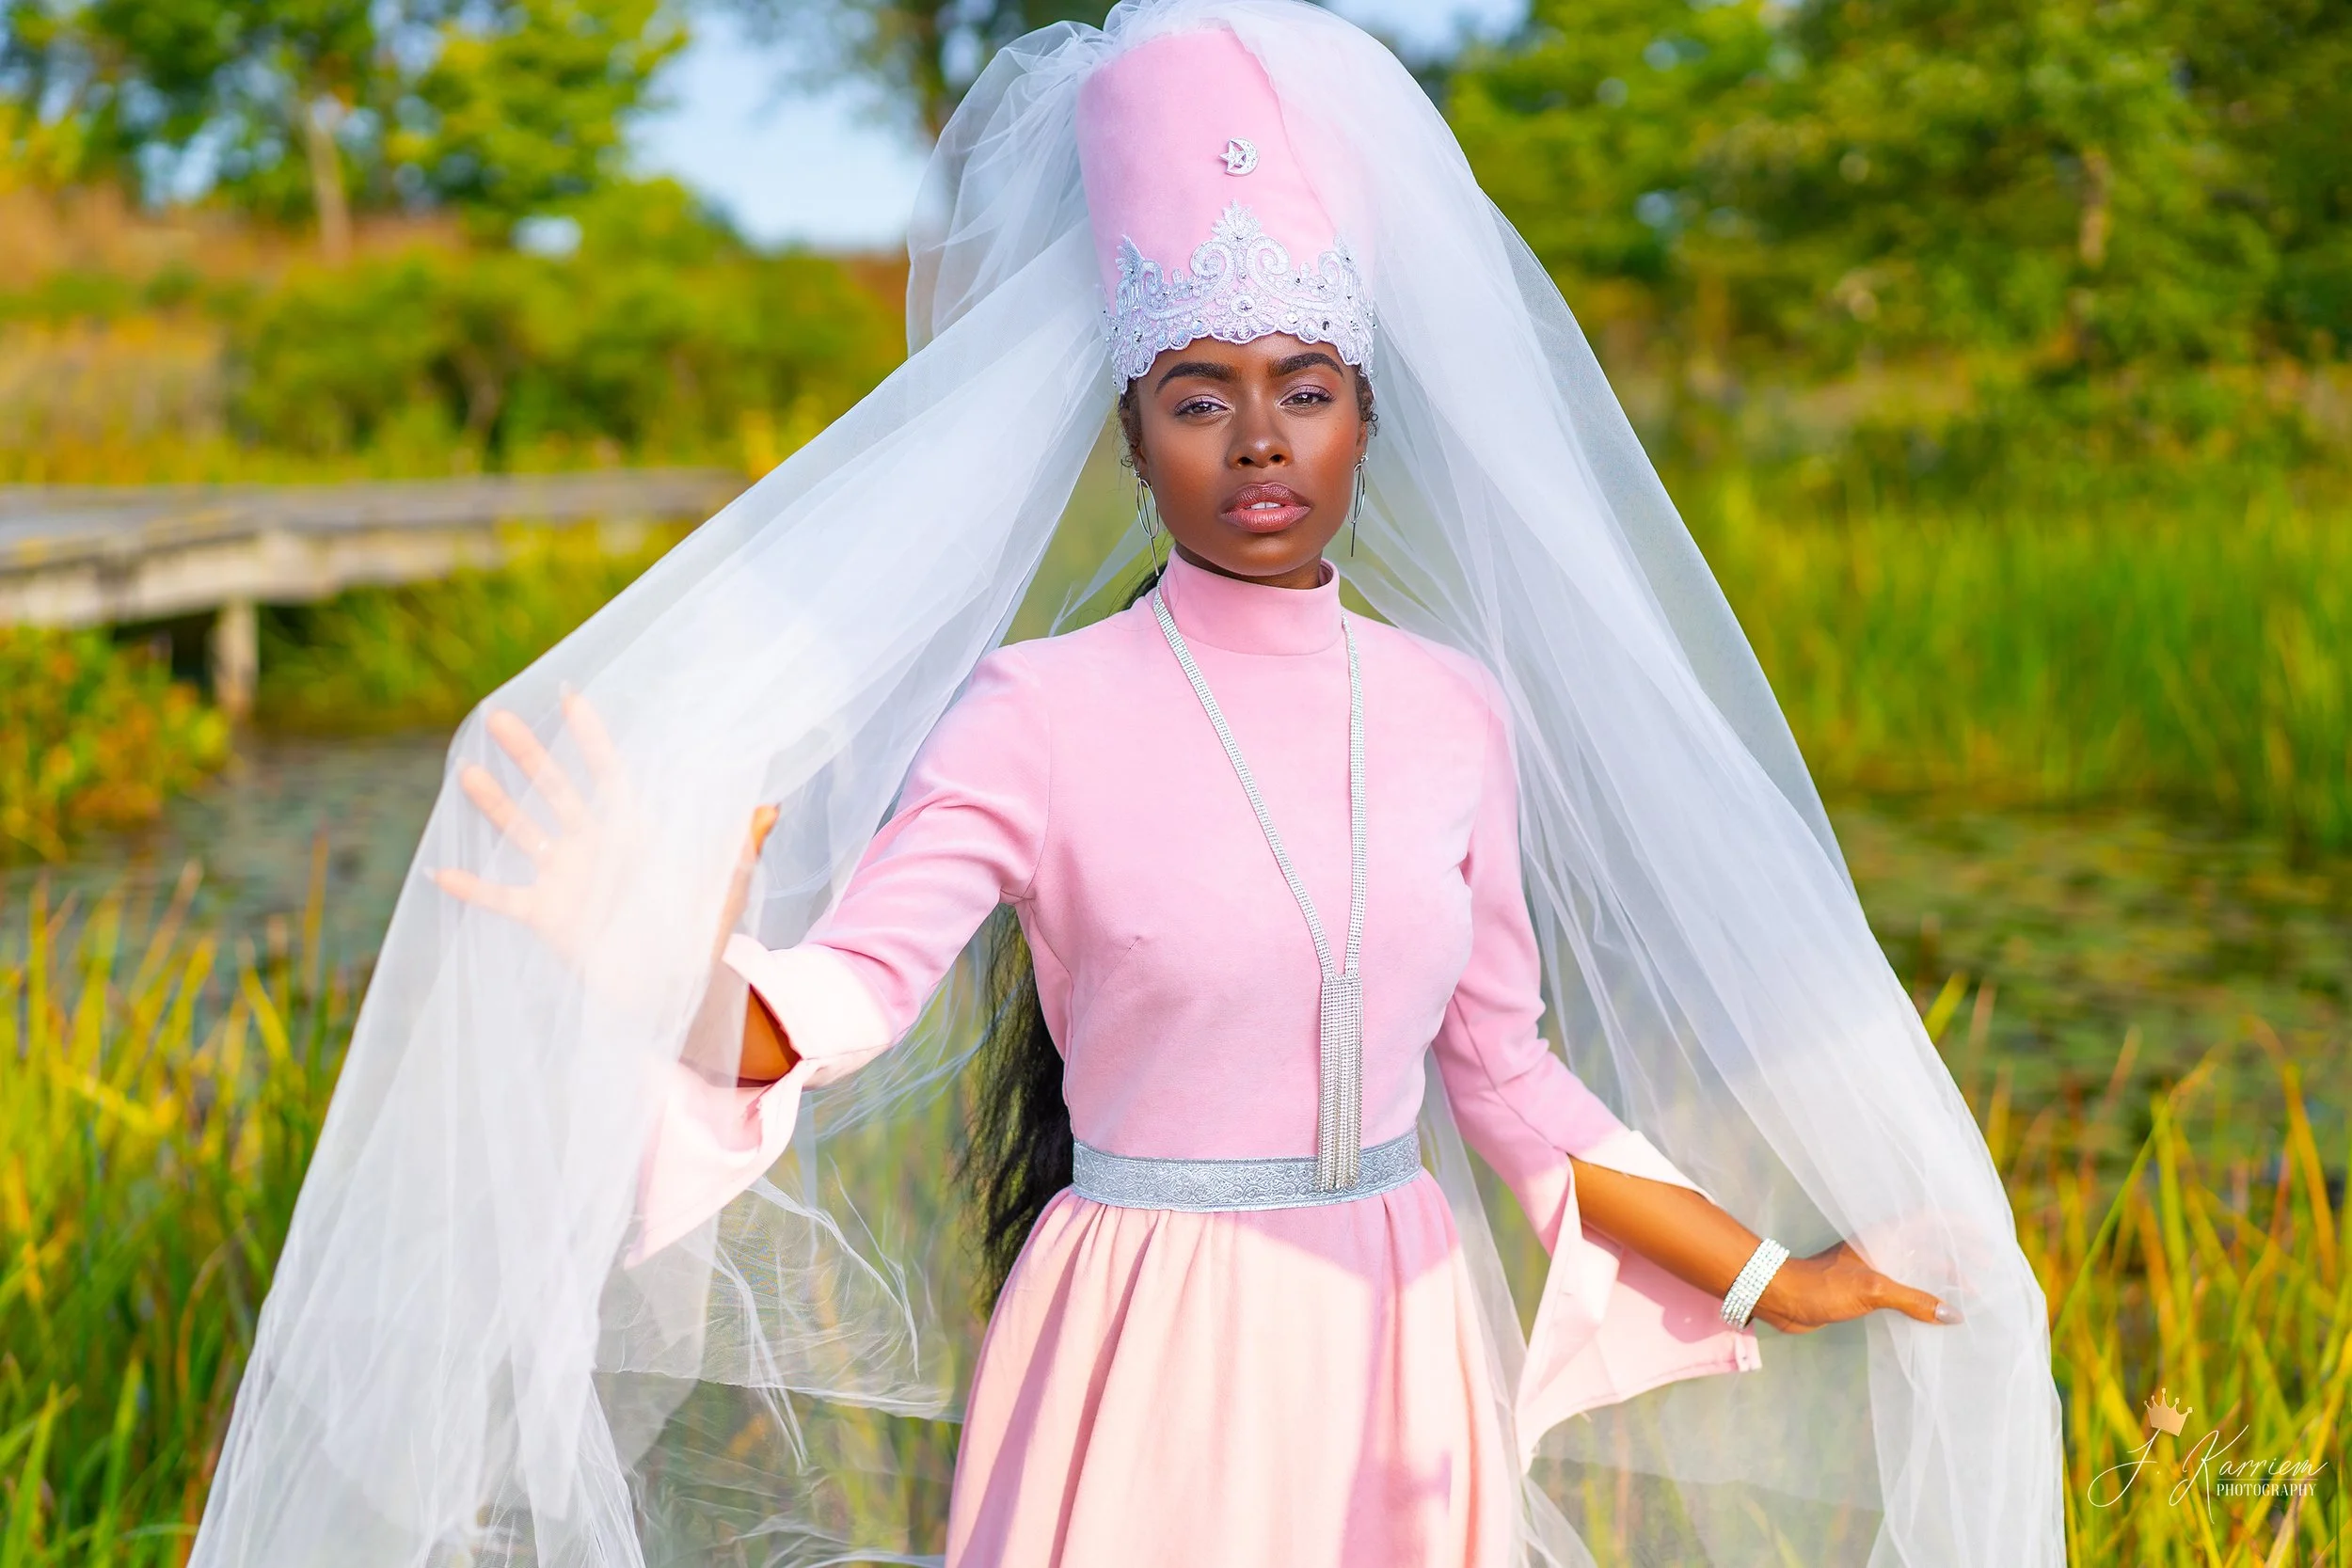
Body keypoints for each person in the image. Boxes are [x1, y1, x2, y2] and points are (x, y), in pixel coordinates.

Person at [188, 4, 2066, 1566]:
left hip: (1402, 1326)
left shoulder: (1451, 712)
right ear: (1127, 426)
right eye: (1196, 391)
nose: (1257, 437)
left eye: (1303, 383)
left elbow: (1507, 1078)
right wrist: (651, 961)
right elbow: (822, 1008)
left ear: (1363, 410)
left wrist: (1765, 1278)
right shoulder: (1034, 706)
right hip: (1135, 1341)